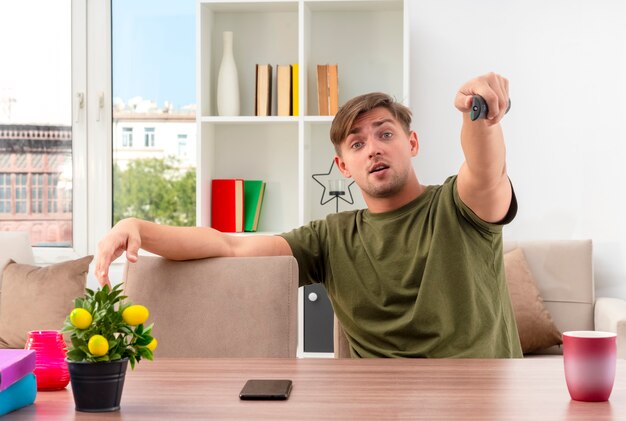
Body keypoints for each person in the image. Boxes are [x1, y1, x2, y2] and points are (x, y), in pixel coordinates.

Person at [95, 72, 522, 358]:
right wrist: (137, 228)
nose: (372, 148)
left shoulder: (460, 205)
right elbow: (227, 244)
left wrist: (477, 112)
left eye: (385, 134)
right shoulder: (330, 237)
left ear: (412, 143)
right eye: (356, 144)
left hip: (480, 393)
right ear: (343, 167)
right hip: (378, 402)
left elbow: (486, 170)